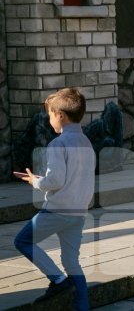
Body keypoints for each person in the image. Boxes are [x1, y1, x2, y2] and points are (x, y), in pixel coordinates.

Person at [13, 88, 95, 310]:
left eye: (50, 115)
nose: (49, 120)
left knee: (22, 241)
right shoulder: (87, 143)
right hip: (78, 212)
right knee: (72, 261)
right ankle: (82, 307)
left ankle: (57, 280)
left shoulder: (57, 144)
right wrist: (45, 179)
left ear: (60, 115)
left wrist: (35, 182)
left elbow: (55, 181)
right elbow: (75, 178)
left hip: (58, 210)